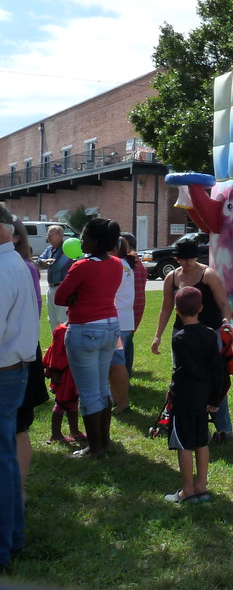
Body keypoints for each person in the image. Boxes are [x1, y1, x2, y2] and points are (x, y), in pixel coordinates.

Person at [53, 217, 123, 458]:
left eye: (84, 237)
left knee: (89, 392)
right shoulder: (117, 263)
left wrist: (76, 297)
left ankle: (95, 447)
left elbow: (60, 297)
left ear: (93, 241)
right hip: (110, 326)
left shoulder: (82, 266)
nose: (80, 241)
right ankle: (105, 441)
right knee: (102, 388)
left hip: (85, 328)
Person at [152, 239, 233, 441]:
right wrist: (158, 336)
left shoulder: (208, 274)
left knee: (216, 379)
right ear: (177, 258)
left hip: (210, 332)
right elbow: (166, 308)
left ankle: (223, 427)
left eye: (191, 258)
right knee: (183, 377)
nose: (188, 263)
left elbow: (223, 303)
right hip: (182, 333)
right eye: (183, 259)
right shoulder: (171, 277)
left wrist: (226, 324)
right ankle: (182, 422)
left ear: (196, 257)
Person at [0, 205, 41, 571]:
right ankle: (11, 538)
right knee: (6, 460)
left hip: (4, 371)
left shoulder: (4, 268)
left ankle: (5, 544)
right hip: (14, 369)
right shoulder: (16, 263)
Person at [164, 286, 227, 504]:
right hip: (204, 398)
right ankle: (202, 487)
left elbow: (182, 371)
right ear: (201, 308)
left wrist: (172, 391)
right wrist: (213, 398)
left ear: (177, 310)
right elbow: (218, 369)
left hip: (185, 399)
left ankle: (187, 491)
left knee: (183, 444)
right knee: (202, 441)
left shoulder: (179, 338)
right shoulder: (209, 334)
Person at [10, 221, 48, 504]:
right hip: (23, 350)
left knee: (19, 427)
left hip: (17, 355)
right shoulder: (26, 267)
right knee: (18, 427)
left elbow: (32, 312)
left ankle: (19, 490)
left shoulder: (21, 268)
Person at [41, 323, 85, 445]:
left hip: (74, 370)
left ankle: (74, 431)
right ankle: (55, 434)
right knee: (62, 402)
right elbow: (55, 353)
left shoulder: (80, 328)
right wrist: (55, 371)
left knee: (73, 400)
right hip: (64, 373)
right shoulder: (61, 331)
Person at [109, 238, 136, 414]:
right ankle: (116, 398)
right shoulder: (125, 265)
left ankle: (121, 402)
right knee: (118, 363)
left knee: (116, 365)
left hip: (118, 321)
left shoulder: (118, 266)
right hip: (124, 320)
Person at [120, 232, 148, 376]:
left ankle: (122, 378)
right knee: (128, 342)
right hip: (135, 309)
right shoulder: (136, 262)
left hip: (127, 309)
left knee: (121, 348)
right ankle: (127, 376)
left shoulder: (126, 264)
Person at [38, 225, 71, 332]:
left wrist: (45, 263)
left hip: (61, 287)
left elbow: (57, 266)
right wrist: (45, 262)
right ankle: (55, 342)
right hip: (51, 287)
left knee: (62, 319)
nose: (47, 236)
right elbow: (39, 261)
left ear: (60, 235)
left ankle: (63, 342)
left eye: (50, 234)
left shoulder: (66, 250)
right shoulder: (49, 249)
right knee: (52, 319)